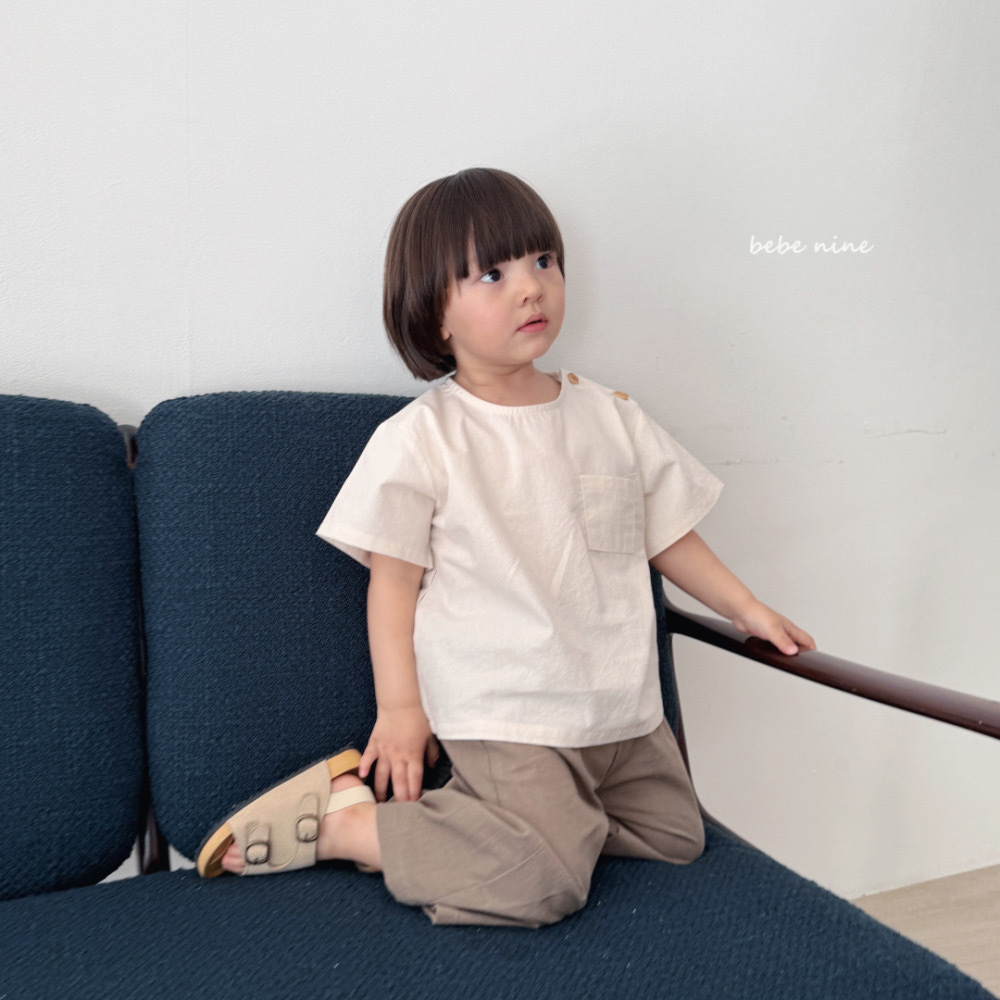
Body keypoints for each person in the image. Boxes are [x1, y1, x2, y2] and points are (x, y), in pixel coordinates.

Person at [196, 167, 815, 927]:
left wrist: (745, 606)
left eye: (543, 262)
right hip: (510, 713)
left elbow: (667, 534)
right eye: (493, 275)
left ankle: (533, 832)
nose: (531, 288)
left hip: (621, 707)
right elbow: (392, 585)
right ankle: (353, 826)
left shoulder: (610, 415)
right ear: (435, 316)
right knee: (542, 885)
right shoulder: (423, 438)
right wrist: (401, 710)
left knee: (677, 839)